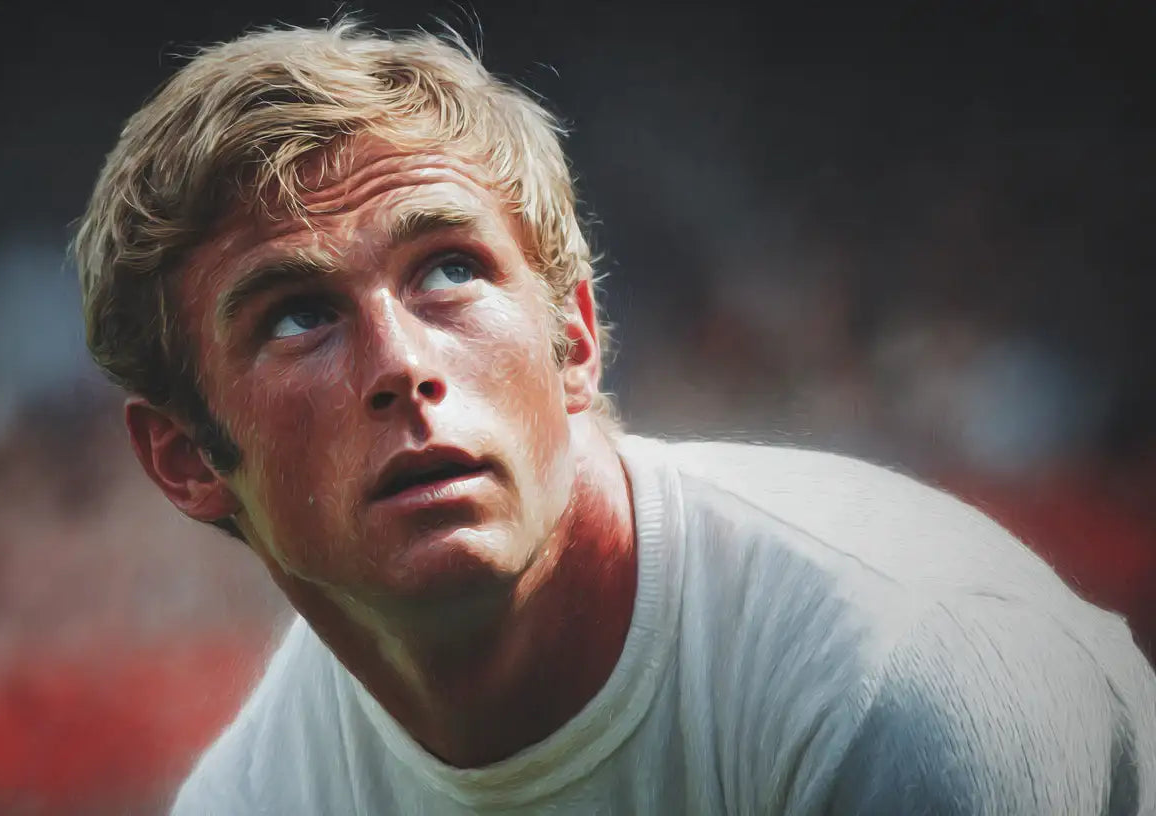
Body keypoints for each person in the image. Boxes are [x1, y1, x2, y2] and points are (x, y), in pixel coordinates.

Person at [72, 22, 1156, 815]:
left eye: (449, 269)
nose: (401, 363)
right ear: (183, 460)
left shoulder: (895, 675)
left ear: (575, 337)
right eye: (298, 316)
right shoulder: (259, 800)